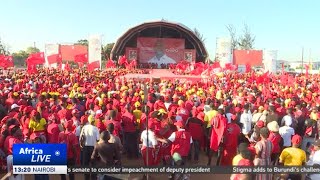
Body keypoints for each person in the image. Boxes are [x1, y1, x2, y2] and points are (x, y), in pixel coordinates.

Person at [79, 115, 100, 180]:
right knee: (94, 164)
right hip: (93, 148)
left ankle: (86, 178)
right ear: (93, 121)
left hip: (85, 147)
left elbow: (80, 138)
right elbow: (98, 139)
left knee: (86, 164)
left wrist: (81, 146)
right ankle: (94, 178)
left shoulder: (84, 127)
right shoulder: (95, 128)